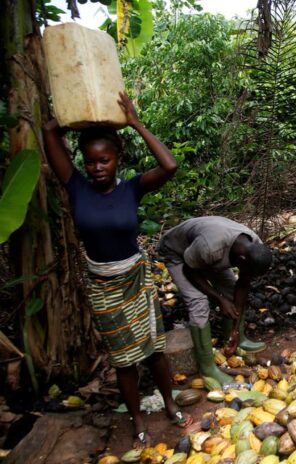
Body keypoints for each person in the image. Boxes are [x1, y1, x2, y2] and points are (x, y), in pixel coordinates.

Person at [43, 91, 191, 448]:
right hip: (102, 284)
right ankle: (137, 417)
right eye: (91, 162)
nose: (96, 168)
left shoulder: (132, 189)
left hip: (137, 279)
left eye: (104, 161)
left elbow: (170, 166)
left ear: (117, 159)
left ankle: (170, 403)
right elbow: (49, 133)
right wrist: (71, 113)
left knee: (154, 349)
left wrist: (136, 123)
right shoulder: (77, 187)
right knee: (124, 359)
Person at [157, 217, 272, 386]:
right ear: (241, 260)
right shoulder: (210, 247)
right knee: (198, 301)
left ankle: (233, 339)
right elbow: (191, 272)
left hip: (205, 256)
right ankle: (207, 368)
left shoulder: (254, 245)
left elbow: (243, 283)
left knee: (231, 289)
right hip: (179, 255)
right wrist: (219, 300)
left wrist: (235, 328)